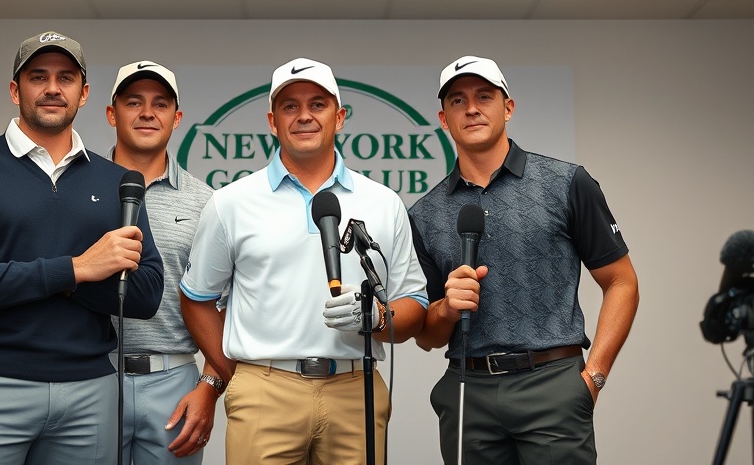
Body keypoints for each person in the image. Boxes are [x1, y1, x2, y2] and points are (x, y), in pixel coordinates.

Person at [0, 31, 164, 465]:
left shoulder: (116, 182)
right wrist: (80, 268)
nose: (52, 88)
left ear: (83, 94)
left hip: (91, 392)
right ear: (16, 90)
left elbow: (144, 295)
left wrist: (2, 270)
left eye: (66, 77)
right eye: (38, 76)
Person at [178, 57, 428, 465]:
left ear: (340, 117)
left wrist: (379, 318)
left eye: (318, 104)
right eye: (290, 106)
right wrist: (233, 372)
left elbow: (415, 304)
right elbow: (196, 298)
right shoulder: (231, 202)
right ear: (273, 121)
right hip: (265, 387)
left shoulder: (383, 202)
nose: (304, 116)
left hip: (355, 388)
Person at [409, 55, 640, 464]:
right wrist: (447, 307)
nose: (472, 108)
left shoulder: (566, 183)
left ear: (508, 108)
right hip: (468, 390)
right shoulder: (425, 213)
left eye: (484, 96)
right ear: (444, 119)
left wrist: (594, 377)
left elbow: (621, 282)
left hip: (552, 384)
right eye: (458, 101)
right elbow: (427, 336)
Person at [105, 60, 220, 463]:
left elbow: (225, 306)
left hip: (175, 380)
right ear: (111, 113)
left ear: (177, 117)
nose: (148, 113)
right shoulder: (77, 188)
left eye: (160, 104)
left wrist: (209, 385)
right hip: (90, 376)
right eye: (134, 102)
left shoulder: (207, 202)